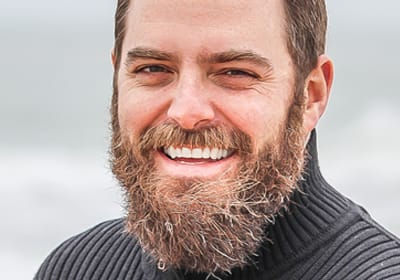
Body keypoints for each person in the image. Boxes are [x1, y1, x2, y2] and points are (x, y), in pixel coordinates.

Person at [35, 0, 400, 279]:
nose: (186, 112)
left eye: (235, 72)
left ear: (312, 95)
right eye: (153, 69)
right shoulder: (76, 267)